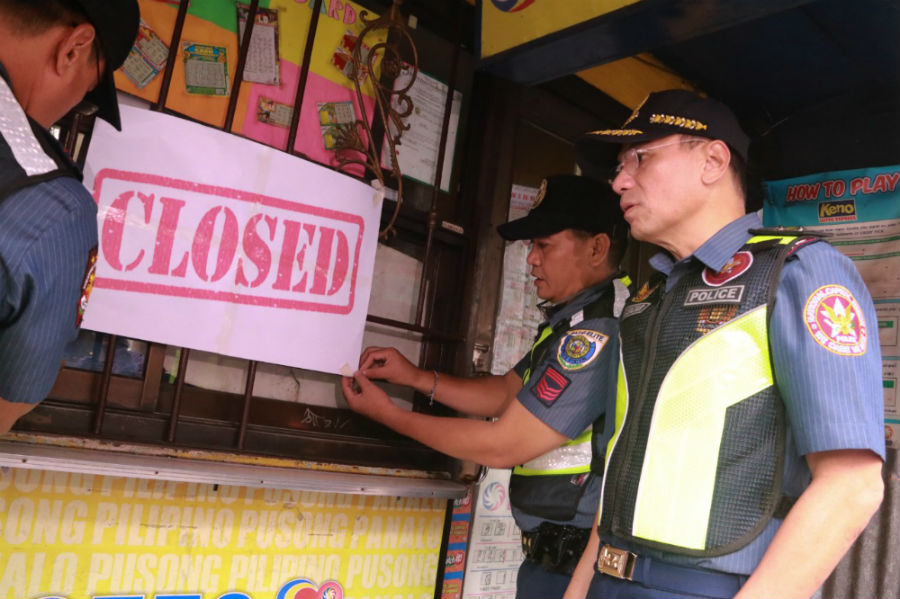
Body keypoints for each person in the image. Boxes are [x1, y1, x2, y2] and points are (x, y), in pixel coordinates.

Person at [566, 89, 885, 599]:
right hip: (609, 576)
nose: (620, 181)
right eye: (619, 168)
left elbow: (852, 485)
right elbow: (625, 466)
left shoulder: (795, 272)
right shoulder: (649, 295)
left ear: (713, 160)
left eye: (641, 158)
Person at [342, 174, 630, 598]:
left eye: (544, 245)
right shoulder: (570, 324)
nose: (531, 259)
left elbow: (503, 444)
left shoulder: (598, 333)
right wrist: (417, 378)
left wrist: (391, 416)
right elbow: (505, 392)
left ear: (597, 248)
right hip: (549, 564)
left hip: (577, 571)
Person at [0, 0, 140, 432]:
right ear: (74, 48)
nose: (73, 105)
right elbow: (8, 402)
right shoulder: (52, 210)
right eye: (88, 88)